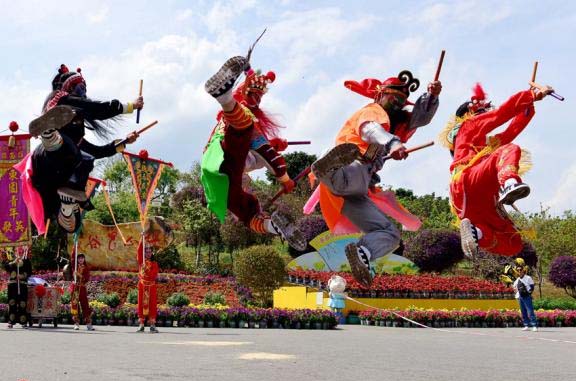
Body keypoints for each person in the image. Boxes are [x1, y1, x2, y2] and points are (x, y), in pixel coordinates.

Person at [311, 71, 441, 286]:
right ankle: (329, 166)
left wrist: (431, 96)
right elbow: (370, 129)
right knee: (350, 165)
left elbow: (419, 119)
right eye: (394, 99)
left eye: (402, 101)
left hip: (356, 189)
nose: (398, 104)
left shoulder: (395, 123)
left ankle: (363, 252)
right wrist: (393, 143)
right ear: (380, 95)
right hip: (351, 167)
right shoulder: (371, 111)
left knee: (390, 234)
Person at [21, 64, 143, 233]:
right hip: (46, 156)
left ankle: (66, 207)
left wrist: (125, 142)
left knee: (85, 159)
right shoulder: (64, 99)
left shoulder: (77, 141)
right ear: (70, 88)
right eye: (81, 88)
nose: (84, 92)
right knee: (73, 152)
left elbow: (98, 152)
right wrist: (131, 106)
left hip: (48, 179)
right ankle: (51, 136)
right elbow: (98, 109)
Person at [202, 55, 306, 251]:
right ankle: (224, 98)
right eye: (254, 95)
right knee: (244, 128)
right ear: (245, 92)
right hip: (226, 156)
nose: (257, 100)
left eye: (260, 96)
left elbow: (257, 153)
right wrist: (285, 179)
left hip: (214, 171)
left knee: (248, 212)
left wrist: (273, 145)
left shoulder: (229, 123)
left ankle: (273, 226)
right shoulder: (246, 116)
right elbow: (267, 154)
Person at [442, 82, 554, 259]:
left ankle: (476, 232)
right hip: (468, 179)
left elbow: (510, 131)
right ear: (469, 114)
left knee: (513, 242)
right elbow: (500, 115)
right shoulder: (467, 126)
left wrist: (528, 106)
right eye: (483, 111)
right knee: (509, 149)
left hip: (473, 203)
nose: (486, 113)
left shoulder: (486, 146)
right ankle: (509, 183)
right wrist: (530, 96)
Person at [1, 247, 32, 328]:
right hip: (12, 284)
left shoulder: (26, 259)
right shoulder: (11, 258)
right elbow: (6, 267)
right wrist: (13, 262)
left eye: (21, 250)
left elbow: (29, 272)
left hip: (22, 284)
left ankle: (23, 321)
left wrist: (22, 276)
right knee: (12, 302)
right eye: (17, 250)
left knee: (22, 303)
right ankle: (11, 321)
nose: (19, 251)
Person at [136, 241, 159, 333]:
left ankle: (152, 325)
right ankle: (141, 324)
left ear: (152, 253)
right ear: (144, 253)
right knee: (141, 304)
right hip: (142, 286)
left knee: (152, 305)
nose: (148, 253)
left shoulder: (154, 264)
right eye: (146, 252)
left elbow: (154, 275)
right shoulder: (141, 262)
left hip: (151, 286)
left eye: (150, 252)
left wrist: (147, 271)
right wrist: (142, 239)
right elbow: (139, 250)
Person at [512, 258, 537, 331]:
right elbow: (515, 288)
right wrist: (516, 291)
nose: (519, 271)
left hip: (526, 297)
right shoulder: (517, 280)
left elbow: (532, 287)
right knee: (523, 312)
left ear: (523, 270)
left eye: (521, 270)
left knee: (530, 311)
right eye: (518, 270)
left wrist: (528, 293)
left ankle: (534, 325)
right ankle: (526, 325)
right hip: (520, 297)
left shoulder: (528, 278)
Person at [71, 253, 94, 331]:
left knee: (85, 306)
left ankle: (88, 324)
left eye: (82, 258)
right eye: (79, 258)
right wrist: (74, 248)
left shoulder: (86, 268)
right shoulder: (74, 266)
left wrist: (79, 275)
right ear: (77, 259)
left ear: (84, 259)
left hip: (82, 289)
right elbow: (72, 258)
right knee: (75, 305)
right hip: (75, 289)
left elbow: (86, 279)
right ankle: (76, 323)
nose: (80, 260)